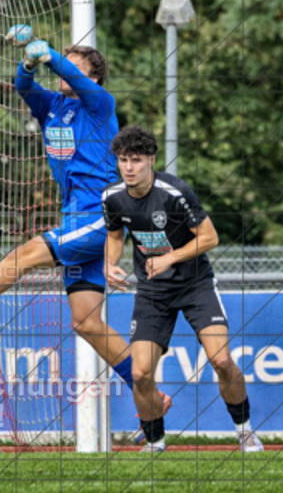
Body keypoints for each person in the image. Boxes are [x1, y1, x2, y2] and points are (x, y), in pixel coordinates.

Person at [0, 28, 146, 404]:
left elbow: (70, 75)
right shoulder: (52, 107)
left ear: (92, 78)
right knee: (87, 323)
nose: (62, 73)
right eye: (62, 65)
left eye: (72, 68)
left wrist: (49, 55)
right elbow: (23, 85)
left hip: (99, 214)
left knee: (22, 256)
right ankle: (150, 399)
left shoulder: (100, 103)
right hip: (74, 215)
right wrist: (28, 61)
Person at [102, 125, 263, 454]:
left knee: (220, 360)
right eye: (123, 160)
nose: (129, 167)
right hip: (152, 293)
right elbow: (115, 236)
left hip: (195, 285)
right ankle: (156, 442)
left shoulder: (174, 192)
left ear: (151, 160)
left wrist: (169, 258)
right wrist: (108, 263)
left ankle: (245, 431)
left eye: (136, 160)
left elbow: (210, 237)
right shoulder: (112, 197)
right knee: (141, 371)